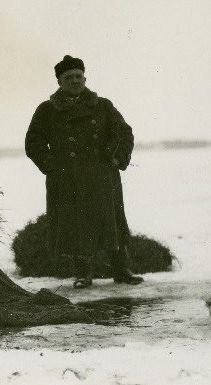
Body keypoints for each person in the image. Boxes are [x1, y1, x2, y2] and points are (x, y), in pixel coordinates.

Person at [25, 55, 143, 288]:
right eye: (69, 77)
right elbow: (33, 143)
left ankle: (121, 270)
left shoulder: (103, 105)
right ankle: (82, 274)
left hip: (102, 176)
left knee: (112, 223)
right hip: (68, 179)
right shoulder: (48, 109)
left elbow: (124, 133)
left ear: (85, 78)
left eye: (79, 76)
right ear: (59, 82)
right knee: (74, 226)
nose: (75, 80)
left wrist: (118, 157)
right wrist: (52, 167)